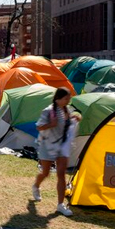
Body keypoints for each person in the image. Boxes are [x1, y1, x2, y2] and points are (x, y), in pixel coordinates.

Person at [32, 87, 80, 217]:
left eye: (69, 98)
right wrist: (51, 124)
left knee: (61, 174)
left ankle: (60, 205)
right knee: (46, 173)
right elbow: (39, 126)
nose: (68, 100)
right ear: (58, 99)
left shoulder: (66, 110)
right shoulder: (48, 111)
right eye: (66, 98)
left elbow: (66, 124)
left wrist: (73, 119)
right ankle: (36, 186)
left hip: (61, 146)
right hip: (47, 145)